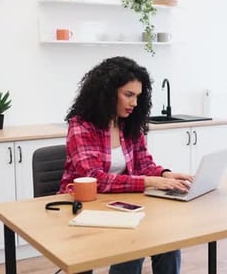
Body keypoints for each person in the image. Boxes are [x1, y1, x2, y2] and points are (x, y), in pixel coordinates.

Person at [59, 56, 194, 274]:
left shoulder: (129, 124)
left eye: (138, 96)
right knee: (132, 245)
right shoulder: (81, 125)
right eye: (128, 95)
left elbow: (144, 164)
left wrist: (167, 174)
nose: (134, 103)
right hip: (85, 206)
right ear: (107, 92)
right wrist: (150, 181)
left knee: (168, 244)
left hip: (122, 203)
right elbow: (95, 178)